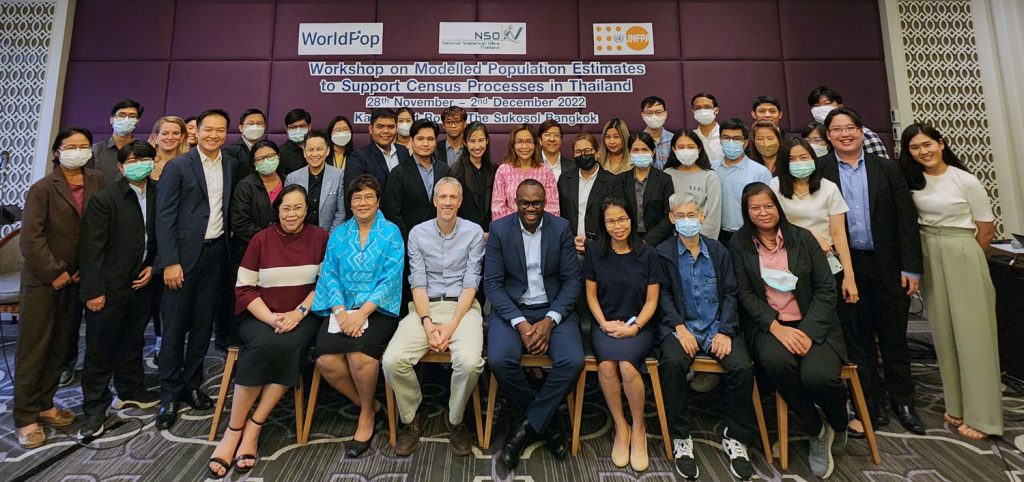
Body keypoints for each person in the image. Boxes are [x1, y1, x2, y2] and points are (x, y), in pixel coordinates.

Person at [206, 185, 328, 478]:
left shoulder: (321, 238)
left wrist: (297, 314)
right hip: (260, 316)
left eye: (298, 208)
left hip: (303, 316)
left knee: (290, 346)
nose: (292, 214)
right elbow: (244, 288)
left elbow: (323, 284)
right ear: (277, 210)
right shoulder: (261, 239)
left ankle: (254, 427)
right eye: (286, 208)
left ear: (307, 210)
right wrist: (272, 319)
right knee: (261, 346)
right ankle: (233, 431)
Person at [818, 107, 925, 434]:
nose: (844, 134)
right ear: (828, 136)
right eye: (837, 129)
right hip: (845, 266)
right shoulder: (819, 171)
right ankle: (871, 402)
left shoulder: (887, 168)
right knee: (857, 339)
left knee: (894, 337)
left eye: (850, 127)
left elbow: (906, 221)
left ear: (862, 131)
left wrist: (912, 267)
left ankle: (903, 401)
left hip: (888, 264)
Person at [730, 182, 848, 479]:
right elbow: (744, 294)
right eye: (754, 208)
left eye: (768, 206)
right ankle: (816, 430)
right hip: (770, 326)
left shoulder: (803, 239)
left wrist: (806, 331)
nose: (763, 213)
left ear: (778, 208)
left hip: (812, 323)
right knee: (776, 364)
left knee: (818, 376)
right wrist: (775, 326)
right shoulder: (739, 243)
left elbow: (826, 288)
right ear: (746, 212)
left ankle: (839, 420)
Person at [900, 123, 1001, 440]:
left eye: (928, 144)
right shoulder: (912, 181)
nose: (923, 151)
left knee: (975, 335)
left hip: (962, 250)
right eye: (915, 147)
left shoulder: (964, 180)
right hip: (929, 252)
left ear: (941, 144)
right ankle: (957, 405)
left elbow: (986, 229)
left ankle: (984, 417)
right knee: (943, 332)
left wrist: (970, 259)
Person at [485, 179, 583, 479]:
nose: (531, 209)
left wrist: (550, 320)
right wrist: (522, 323)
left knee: (573, 361)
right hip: (514, 312)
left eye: (537, 203)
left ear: (545, 202)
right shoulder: (500, 230)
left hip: (552, 309)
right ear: (516, 202)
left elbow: (571, 281)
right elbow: (492, 284)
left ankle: (524, 429)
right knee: (499, 359)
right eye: (525, 203)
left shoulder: (560, 228)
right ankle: (548, 424)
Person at [15, 127, 105, 448]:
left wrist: (85, 270)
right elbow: (31, 239)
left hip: (79, 279)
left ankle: (45, 403)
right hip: (44, 281)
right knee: (34, 348)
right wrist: (56, 272)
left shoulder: (96, 180)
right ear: (57, 152)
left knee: (62, 345)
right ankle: (25, 417)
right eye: (70, 146)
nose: (77, 151)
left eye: (83, 146)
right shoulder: (42, 188)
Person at [382, 178, 486, 457]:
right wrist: (428, 323)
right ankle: (412, 415)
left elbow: (471, 282)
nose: (448, 202)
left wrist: (451, 326)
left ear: (460, 201)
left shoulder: (474, 232)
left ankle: (455, 419)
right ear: (434, 200)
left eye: (453, 197)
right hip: (424, 308)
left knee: (470, 362)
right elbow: (417, 281)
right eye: (442, 197)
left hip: (462, 309)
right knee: (392, 360)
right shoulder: (417, 233)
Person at [657, 193, 755, 481]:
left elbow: (731, 293)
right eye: (681, 216)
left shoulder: (719, 251)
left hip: (716, 326)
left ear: (702, 217)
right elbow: (661, 294)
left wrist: (725, 330)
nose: (687, 221)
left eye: (692, 215)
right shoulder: (663, 253)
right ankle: (681, 437)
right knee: (672, 364)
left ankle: (736, 436)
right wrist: (679, 327)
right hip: (680, 328)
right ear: (672, 219)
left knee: (742, 367)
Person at [154, 109, 239, 430]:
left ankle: (192, 384)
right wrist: (170, 261)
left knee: (203, 325)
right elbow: (164, 218)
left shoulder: (230, 164)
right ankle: (169, 394)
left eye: (220, 130)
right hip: (182, 260)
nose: (214, 135)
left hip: (217, 255)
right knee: (175, 327)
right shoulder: (178, 166)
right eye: (208, 130)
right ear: (197, 132)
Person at [312, 174, 404, 458]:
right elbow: (329, 274)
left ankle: (365, 415)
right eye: (357, 198)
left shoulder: (391, 232)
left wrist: (361, 313)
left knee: (359, 357)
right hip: (341, 310)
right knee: (326, 360)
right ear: (350, 203)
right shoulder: (339, 233)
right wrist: (340, 312)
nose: (362, 203)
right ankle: (374, 406)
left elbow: (391, 278)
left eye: (368, 197)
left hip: (377, 310)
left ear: (378, 201)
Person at [76, 140, 161, 441]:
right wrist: (93, 291)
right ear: (122, 166)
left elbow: (162, 236)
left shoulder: (159, 193)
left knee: (133, 339)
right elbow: (91, 250)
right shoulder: (105, 199)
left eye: (146, 159)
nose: (141, 164)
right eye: (134, 160)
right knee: (100, 346)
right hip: (108, 286)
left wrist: (155, 265)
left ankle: (131, 389)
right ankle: (94, 408)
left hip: (142, 282)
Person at [582, 198, 660, 472]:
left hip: (639, 325)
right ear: (604, 225)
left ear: (632, 219)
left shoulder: (647, 254)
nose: (618, 226)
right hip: (605, 323)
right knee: (605, 365)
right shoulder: (595, 252)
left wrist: (634, 326)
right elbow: (590, 296)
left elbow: (652, 301)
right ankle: (621, 426)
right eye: (611, 221)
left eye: (623, 219)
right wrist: (603, 323)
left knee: (627, 366)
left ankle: (638, 427)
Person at [382, 119, 450, 239]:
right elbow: (393, 213)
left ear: (435, 142)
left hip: (442, 239)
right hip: (410, 241)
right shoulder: (398, 173)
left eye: (430, 139)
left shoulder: (444, 169)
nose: (425, 144)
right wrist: (408, 240)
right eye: (420, 139)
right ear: (411, 141)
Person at [713, 118, 773, 246]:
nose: (731, 142)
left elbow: (769, 207)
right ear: (720, 140)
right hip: (717, 235)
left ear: (745, 143)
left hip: (749, 234)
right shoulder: (711, 169)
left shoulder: (760, 172)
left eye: (736, 139)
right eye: (725, 138)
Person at [611, 131, 675, 246]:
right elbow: (617, 213)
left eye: (645, 149)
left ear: (653, 151)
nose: (640, 153)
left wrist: (647, 241)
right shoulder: (620, 180)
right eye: (635, 150)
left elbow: (668, 216)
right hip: (627, 240)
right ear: (629, 152)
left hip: (659, 242)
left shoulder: (664, 179)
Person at [558, 133, 615, 256]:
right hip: (570, 247)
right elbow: (561, 214)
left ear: (597, 153)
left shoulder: (612, 181)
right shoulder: (564, 180)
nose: (582, 155)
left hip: (602, 248)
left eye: (587, 150)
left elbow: (614, 216)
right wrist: (571, 239)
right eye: (578, 151)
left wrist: (592, 243)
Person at [491, 123, 560, 220]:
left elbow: (553, 210)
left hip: (541, 229)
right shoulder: (503, 170)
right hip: (510, 230)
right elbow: (497, 210)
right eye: (519, 141)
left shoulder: (546, 171)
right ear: (513, 145)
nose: (524, 146)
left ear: (535, 144)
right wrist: (520, 224)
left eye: (528, 141)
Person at [231, 140, 284, 264]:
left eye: (270, 156)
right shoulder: (245, 186)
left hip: (284, 249)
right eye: (260, 159)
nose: (266, 161)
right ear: (254, 163)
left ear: (278, 156)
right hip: (251, 250)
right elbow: (240, 224)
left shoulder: (288, 181)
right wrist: (271, 239)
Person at [284, 130, 346, 234]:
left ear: (327, 151)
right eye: (310, 150)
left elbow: (341, 212)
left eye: (319, 149)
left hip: (328, 236)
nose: (315, 154)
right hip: (299, 235)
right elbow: (289, 211)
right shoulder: (292, 178)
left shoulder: (339, 175)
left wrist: (330, 237)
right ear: (304, 152)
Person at [664, 129, 722, 239]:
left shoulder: (710, 176)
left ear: (699, 149)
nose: (686, 151)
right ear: (673, 149)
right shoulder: (667, 174)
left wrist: (700, 242)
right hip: (672, 239)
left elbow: (713, 216)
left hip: (703, 240)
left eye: (690, 147)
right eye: (681, 147)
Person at [344, 108, 411, 198]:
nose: (386, 131)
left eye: (391, 127)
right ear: (371, 129)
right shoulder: (359, 157)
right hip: (375, 211)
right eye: (380, 127)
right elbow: (353, 194)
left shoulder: (403, 151)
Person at [807, 86, 889, 158]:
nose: (821, 108)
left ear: (840, 106)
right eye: (816, 106)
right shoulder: (814, 136)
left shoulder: (865, 134)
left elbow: (881, 166)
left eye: (827, 103)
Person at [449, 121, 495, 233]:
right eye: (472, 141)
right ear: (465, 143)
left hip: (490, 233)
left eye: (481, 140)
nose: (477, 146)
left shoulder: (494, 170)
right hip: (464, 233)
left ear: (487, 141)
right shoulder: (456, 172)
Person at [89, 99, 143, 184]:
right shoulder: (94, 151)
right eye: (122, 115)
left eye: (132, 116)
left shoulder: (143, 150)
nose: (126, 119)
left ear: (137, 121)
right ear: (111, 120)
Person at [224, 108, 267, 180]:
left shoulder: (268, 149)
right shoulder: (231, 152)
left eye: (259, 123)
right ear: (241, 128)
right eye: (250, 123)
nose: (255, 127)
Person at [147, 115, 189, 181]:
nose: (170, 137)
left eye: (175, 133)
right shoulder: (145, 163)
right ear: (155, 137)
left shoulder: (190, 163)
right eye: (165, 133)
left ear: (182, 137)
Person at [639, 96, 673, 169]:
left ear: (665, 114)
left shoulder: (675, 139)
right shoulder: (637, 141)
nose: (654, 116)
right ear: (643, 115)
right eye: (649, 113)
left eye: (658, 112)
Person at [691, 92, 723, 163]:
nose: (702, 111)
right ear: (693, 111)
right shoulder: (690, 136)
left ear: (716, 110)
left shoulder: (725, 135)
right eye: (698, 108)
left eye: (707, 107)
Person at [279, 108, 312, 175]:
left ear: (309, 127)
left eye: (302, 126)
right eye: (293, 127)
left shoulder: (318, 146)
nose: (298, 130)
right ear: (286, 129)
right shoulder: (282, 152)